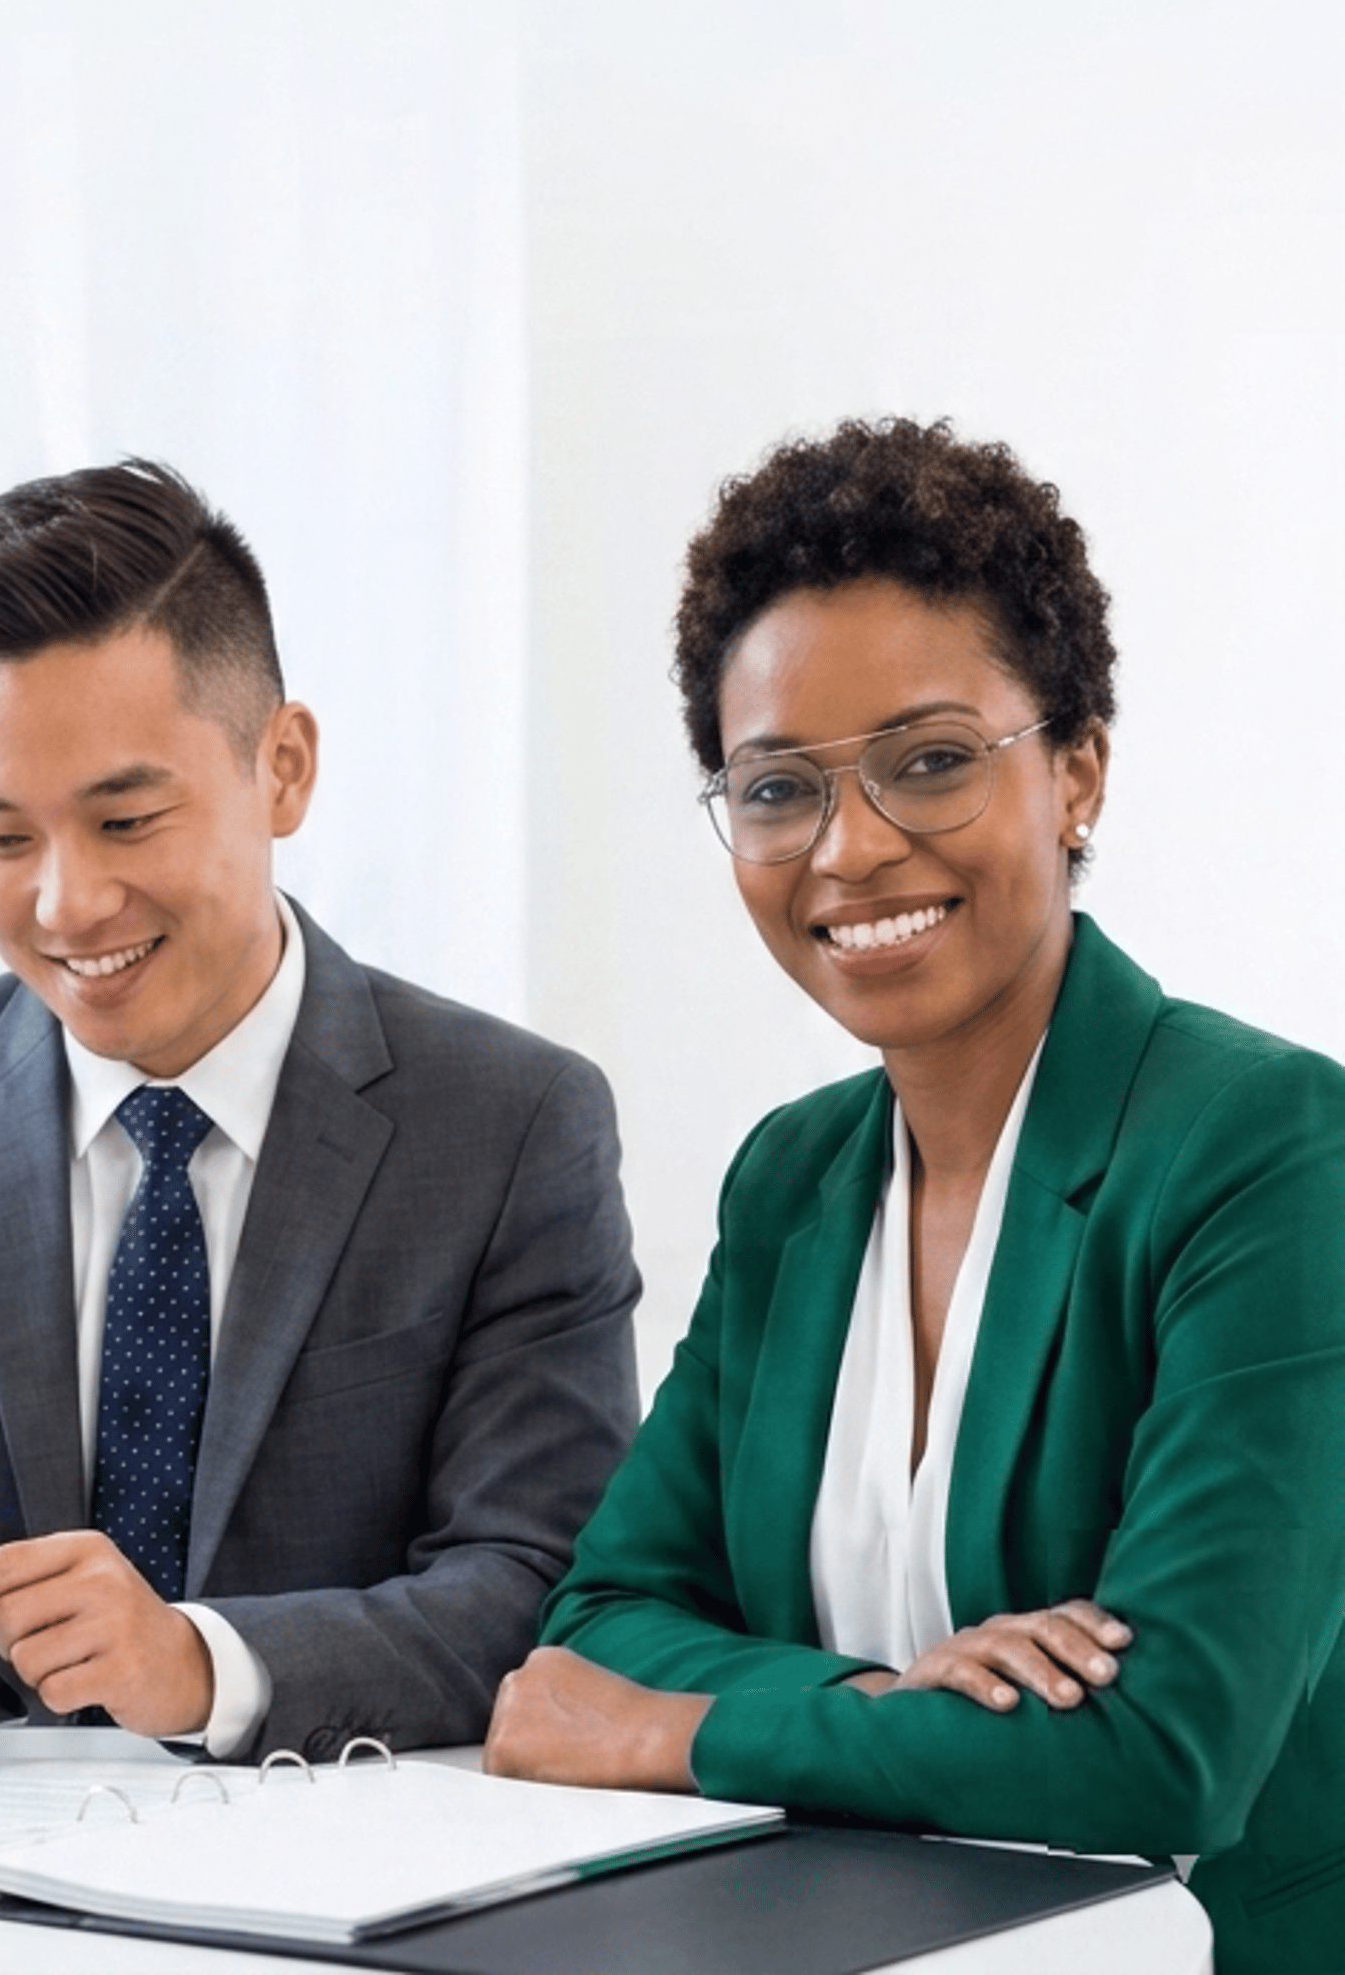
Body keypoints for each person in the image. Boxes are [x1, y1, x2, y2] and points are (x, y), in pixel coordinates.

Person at [0, 459, 639, 1783]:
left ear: (283, 769)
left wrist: (200, 1663)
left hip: (344, 1879)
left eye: (125, 819)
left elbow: (542, 1590)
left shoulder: (510, 1125)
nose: (64, 905)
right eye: (0, 839)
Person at [486, 417, 1345, 1975]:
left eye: (931, 762)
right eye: (776, 790)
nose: (852, 848)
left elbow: (1172, 1753)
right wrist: (891, 1702)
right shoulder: (795, 1176)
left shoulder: (1270, 1151)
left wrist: (685, 1731)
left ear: (1076, 770)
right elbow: (591, 1632)